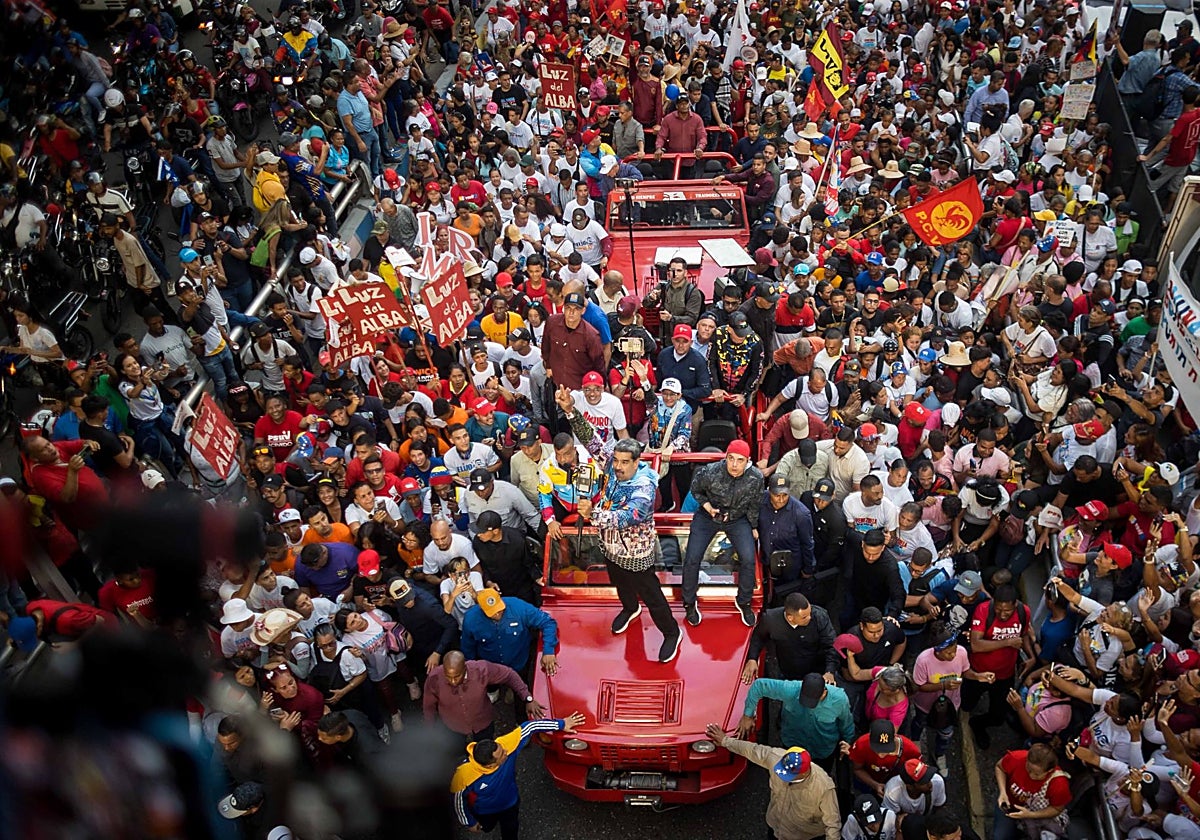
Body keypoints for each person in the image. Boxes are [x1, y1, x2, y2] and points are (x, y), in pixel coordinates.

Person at [557, 385, 682, 662]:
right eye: (616, 461)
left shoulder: (645, 485)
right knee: (619, 582)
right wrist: (570, 410)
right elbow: (591, 439)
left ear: (638, 462)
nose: (618, 466)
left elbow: (628, 517)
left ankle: (671, 632)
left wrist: (593, 515)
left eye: (625, 462)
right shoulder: (613, 464)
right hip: (611, 547)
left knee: (651, 595)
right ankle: (629, 608)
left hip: (636, 552)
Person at [451, 712, 586, 840]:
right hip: (485, 811)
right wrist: (469, 822)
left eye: (501, 749)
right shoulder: (464, 775)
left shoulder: (506, 745)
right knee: (487, 827)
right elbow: (458, 801)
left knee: (511, 830)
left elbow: (530, 726)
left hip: (510, 804)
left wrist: (562, 724)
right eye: (502, 755)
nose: (506, 752)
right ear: (489, 765)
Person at [703, 727, 841, 840]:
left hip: (802, 836)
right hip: (775, 826)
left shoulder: (824, 788)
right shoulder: (776, 758)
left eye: (790, 775)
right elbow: (753, 750)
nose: (782, 775)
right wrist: (726, 741)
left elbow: (832, 824)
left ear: (805, 772)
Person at [683, 440, 765, 628]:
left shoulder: (756, 478)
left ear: (748, 461)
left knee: (748, 558)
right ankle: (689, 602)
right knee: (692, 558)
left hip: (738, 519)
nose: (734, 465)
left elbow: (755, 504)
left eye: (740, 460)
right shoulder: (710, 471)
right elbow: (696, 490)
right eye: (731, 459)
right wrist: (709, 508)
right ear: (725, 458)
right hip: (708, 517)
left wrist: (753, 526)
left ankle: (744, 601)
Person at [423, 650, 543, 748]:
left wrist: (527, 698)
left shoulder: (481, 670)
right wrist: (430, 728)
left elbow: (509, 674)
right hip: (453, 726)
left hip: (482, 723)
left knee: (485, 750)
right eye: (448, 677)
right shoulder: (434, 678)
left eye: (457, 676)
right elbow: (428, 705)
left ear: (465, 668)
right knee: (456, 750)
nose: (453, 681)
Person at [739, 672, 854, 768]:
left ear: (824, 692)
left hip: (822, 750)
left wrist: (848, 742)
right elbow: (759, 686)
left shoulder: (840, 699)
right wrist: (747, 716)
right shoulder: (790, 689)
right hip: (793, 744)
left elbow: (846, 723)